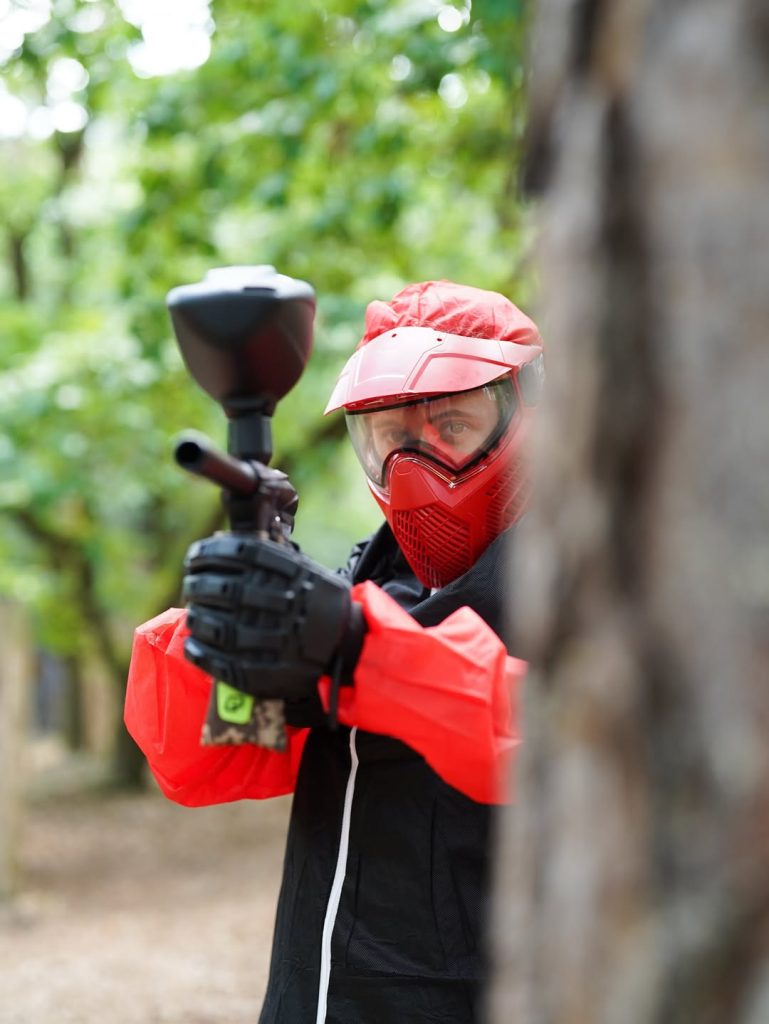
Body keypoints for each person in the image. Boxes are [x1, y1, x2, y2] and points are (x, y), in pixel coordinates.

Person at [124, 279, 544, 1024]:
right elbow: (217, 762)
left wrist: (359, 650)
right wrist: (228, 632)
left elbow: (564, 742)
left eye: (450, 424)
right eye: (388, 438)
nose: (413, 464)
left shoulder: (596, 591)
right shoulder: (367, 587)